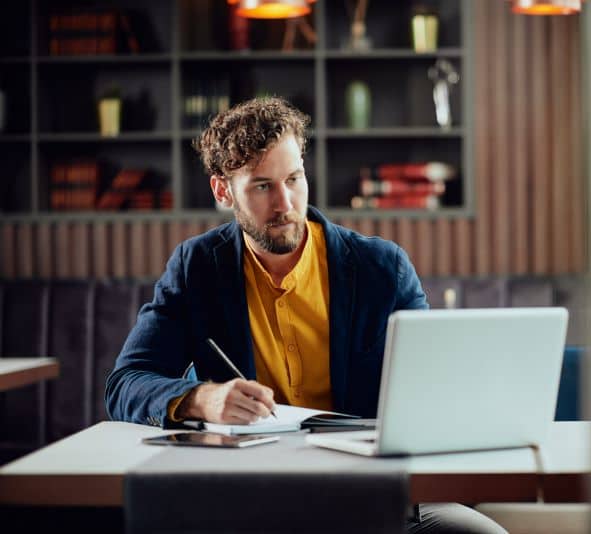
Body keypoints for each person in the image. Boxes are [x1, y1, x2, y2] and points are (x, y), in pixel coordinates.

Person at [105, 97, 506, 533]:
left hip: (372, 492)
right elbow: (126, 383)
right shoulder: (196, 267)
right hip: (251, 494)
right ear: (223, 191)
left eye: (293, 179)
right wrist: (203, 398)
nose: (285, 204)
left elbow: (434, 385)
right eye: (262, 186)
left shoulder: (380, 267)